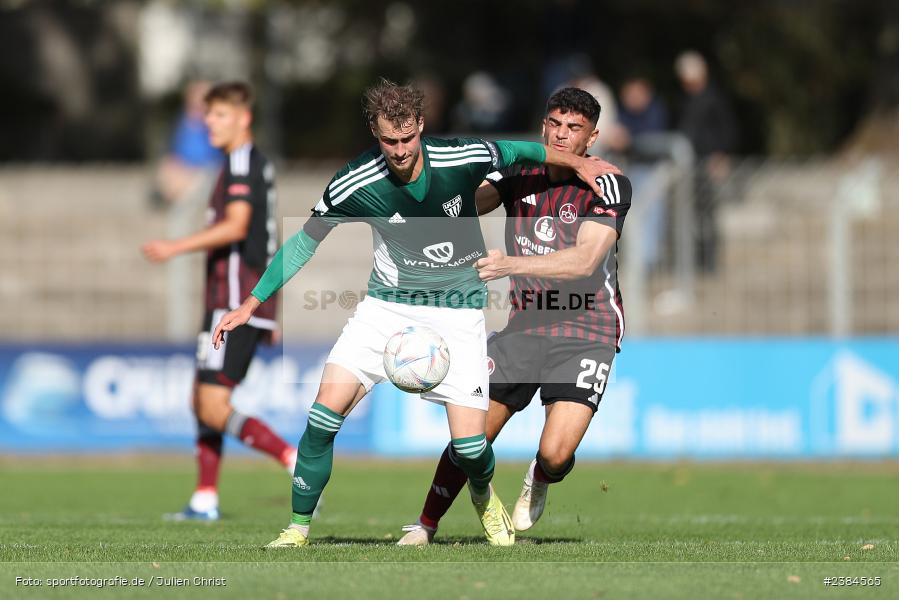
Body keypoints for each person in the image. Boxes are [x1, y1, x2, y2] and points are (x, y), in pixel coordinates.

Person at [210, 79, 619, 548]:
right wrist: (251, 302)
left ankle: (483, 493)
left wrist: (583, 164)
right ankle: (297, 529)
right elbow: (305, 241)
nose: (401, 151)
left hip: (459, 309)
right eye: (390, 141)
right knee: (322, 416)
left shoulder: (460, 155)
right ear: (375, 133)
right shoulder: (354, 182)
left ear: (421, 127)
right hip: (386, 307)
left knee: (470, 448)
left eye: (408, 139)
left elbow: (527, 150)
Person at [397, 87, 631, 545]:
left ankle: (541, 477)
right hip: (524, 326)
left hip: (587, 328)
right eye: (555, 124)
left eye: (574, 128)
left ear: (593, 137)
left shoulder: (609, 183)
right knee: (472, 435)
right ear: (544, 124)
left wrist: (510, 264)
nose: (562, 135)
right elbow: (463, 205)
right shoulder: (517, 170)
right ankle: (424, 526)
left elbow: (583, 261)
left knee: (557, 453)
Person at [142, 81, 296, 521]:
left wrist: (175, 247)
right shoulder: (243, 163)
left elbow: (237, 226)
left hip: (233, 301)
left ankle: (292, 460)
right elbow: (267, 236)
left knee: (211, 404)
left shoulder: (244, 162)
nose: (210, 122)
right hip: (237, 300)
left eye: (220, 115)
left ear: (243, 118)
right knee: (201, 399)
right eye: (207, 115)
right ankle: (205, 498)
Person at [674, 51, 738, 272]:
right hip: (689, 165)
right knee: (690, 215)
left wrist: (720, 156)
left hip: (709, 164)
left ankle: (710, 262)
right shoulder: (685, 99)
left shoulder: (714, 98)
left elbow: (727, 131)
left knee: (708, 215)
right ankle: (695, 261)